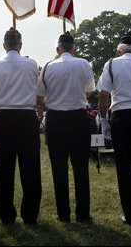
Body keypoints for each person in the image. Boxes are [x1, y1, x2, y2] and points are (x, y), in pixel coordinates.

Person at [0, 27, 42, 225]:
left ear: (4, 45)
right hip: (26, 116)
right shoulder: (32, 64)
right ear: (21, 45)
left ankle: (6, 215)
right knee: (31, 168)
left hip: (5, 116)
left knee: (4, 169)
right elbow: (39, 93)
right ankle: (30, 214)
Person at [37, 32, 95, 223]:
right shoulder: (84, 64)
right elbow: (88, 92)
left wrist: (56, 98)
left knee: (59, 169)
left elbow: (40, 97)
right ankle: (83, 213)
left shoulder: (47, 67)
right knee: (81, 168)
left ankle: (63, 213)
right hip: (78, 117)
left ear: (57, 50)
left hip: (56, 118)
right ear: (74, 49)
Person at [97, 31, 131, 226]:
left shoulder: (111, 64)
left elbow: (103, 95)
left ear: (119, 51)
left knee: (125, 168)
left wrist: (103, 121)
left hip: (121, 116)